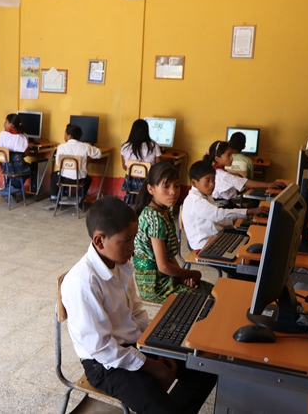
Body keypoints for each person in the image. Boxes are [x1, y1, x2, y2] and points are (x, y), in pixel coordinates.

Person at [61, 196, 217, 414]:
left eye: (134, 239)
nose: (132, 248)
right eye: (126, 241)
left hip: (133, 345)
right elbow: (102, 348)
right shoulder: (83, 283)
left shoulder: (119, 265)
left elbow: (137, 313)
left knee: (205, 370)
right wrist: (151, 365)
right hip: (104, 364)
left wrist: (156, 346)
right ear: (99, 241)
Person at [133, 162, 213, 304]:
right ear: (150, 189)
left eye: (176, 185)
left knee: (213, 291)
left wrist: (182, 276)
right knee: (209, 298)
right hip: (156, 286)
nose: (173, 192)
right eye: (166, 186)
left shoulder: (165, 211)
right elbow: (163, 266)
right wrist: (190, 273)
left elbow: (169, 257)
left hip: (167, 278)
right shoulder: (154, 218)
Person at [182, 161, 269, 250]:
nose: (212, 184)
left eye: (213, 179)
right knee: (246, 246)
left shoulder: (205, 195)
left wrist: (233, 222)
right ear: (194, 182)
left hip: (216, 236)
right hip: (204, 245)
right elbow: (218, 215)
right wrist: (250, 211)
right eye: (207, 180)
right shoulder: (196, 201)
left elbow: (214, 221)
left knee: (249, 235)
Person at [204, 140, 285, 202]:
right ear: (217, 159)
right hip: (223, 208)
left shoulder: (213, 170)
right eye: (228, 155)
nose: (232, 158)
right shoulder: (223, 175)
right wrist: (269, 184)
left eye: (232, 154)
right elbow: (245, 182)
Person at [48, 124, 101, 205]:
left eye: (65, 134)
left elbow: (58, 163)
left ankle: (54, 198)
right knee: (88, 179)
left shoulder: (61, 147)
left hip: (63, 179)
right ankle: (80, 199)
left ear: (70, 136)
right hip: (79, 180)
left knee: (53, 175)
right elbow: (98, 154)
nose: (64, 136)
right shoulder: (86, 146)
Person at [120, 118, 162, 206]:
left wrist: (136, 172)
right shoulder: (154, 146)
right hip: (147, 183)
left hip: (130, 183)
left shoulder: (125, 147)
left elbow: (125, 167)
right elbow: (158, 167)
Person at [0, 113, 30, 188]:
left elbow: (0, 150)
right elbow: (25, 154)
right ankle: (13, 187)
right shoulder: (24, 136)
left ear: (12, 125)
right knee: (30, 169)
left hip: (5, 167)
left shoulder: (2, 134)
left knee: (13, 171)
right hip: (19, 168)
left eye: (6, 122)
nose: (4, 123)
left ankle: (11, 186)